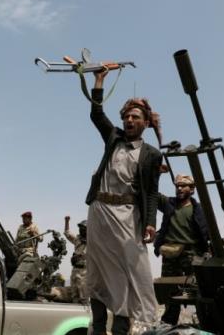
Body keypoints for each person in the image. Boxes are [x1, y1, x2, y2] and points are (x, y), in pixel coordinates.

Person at [85, 69, 162, 335]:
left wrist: (151, 222)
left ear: (146, 123)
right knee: (94, 271)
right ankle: (96, 329)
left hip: (127, 214)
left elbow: (151, 192)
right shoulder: (113, 137)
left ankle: (122, 328)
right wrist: (99, 81)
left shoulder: (152, 154)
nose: (129, 120)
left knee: (128, 275)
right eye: (127, 116)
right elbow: (96, 114)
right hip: (99, 211)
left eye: (135, 117)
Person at [154, 174, 209, 325]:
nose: (179, 188)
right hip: (170, 254)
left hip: (191, 254)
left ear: (192, 189)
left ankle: (203, 324)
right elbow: (153, 192)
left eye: (183, 185)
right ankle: (168, 325)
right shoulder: (169, 204)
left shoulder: (198, 210)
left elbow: (206, 233)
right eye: (177, 185)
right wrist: (156, 172)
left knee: (197, 292)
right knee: (170, 293)